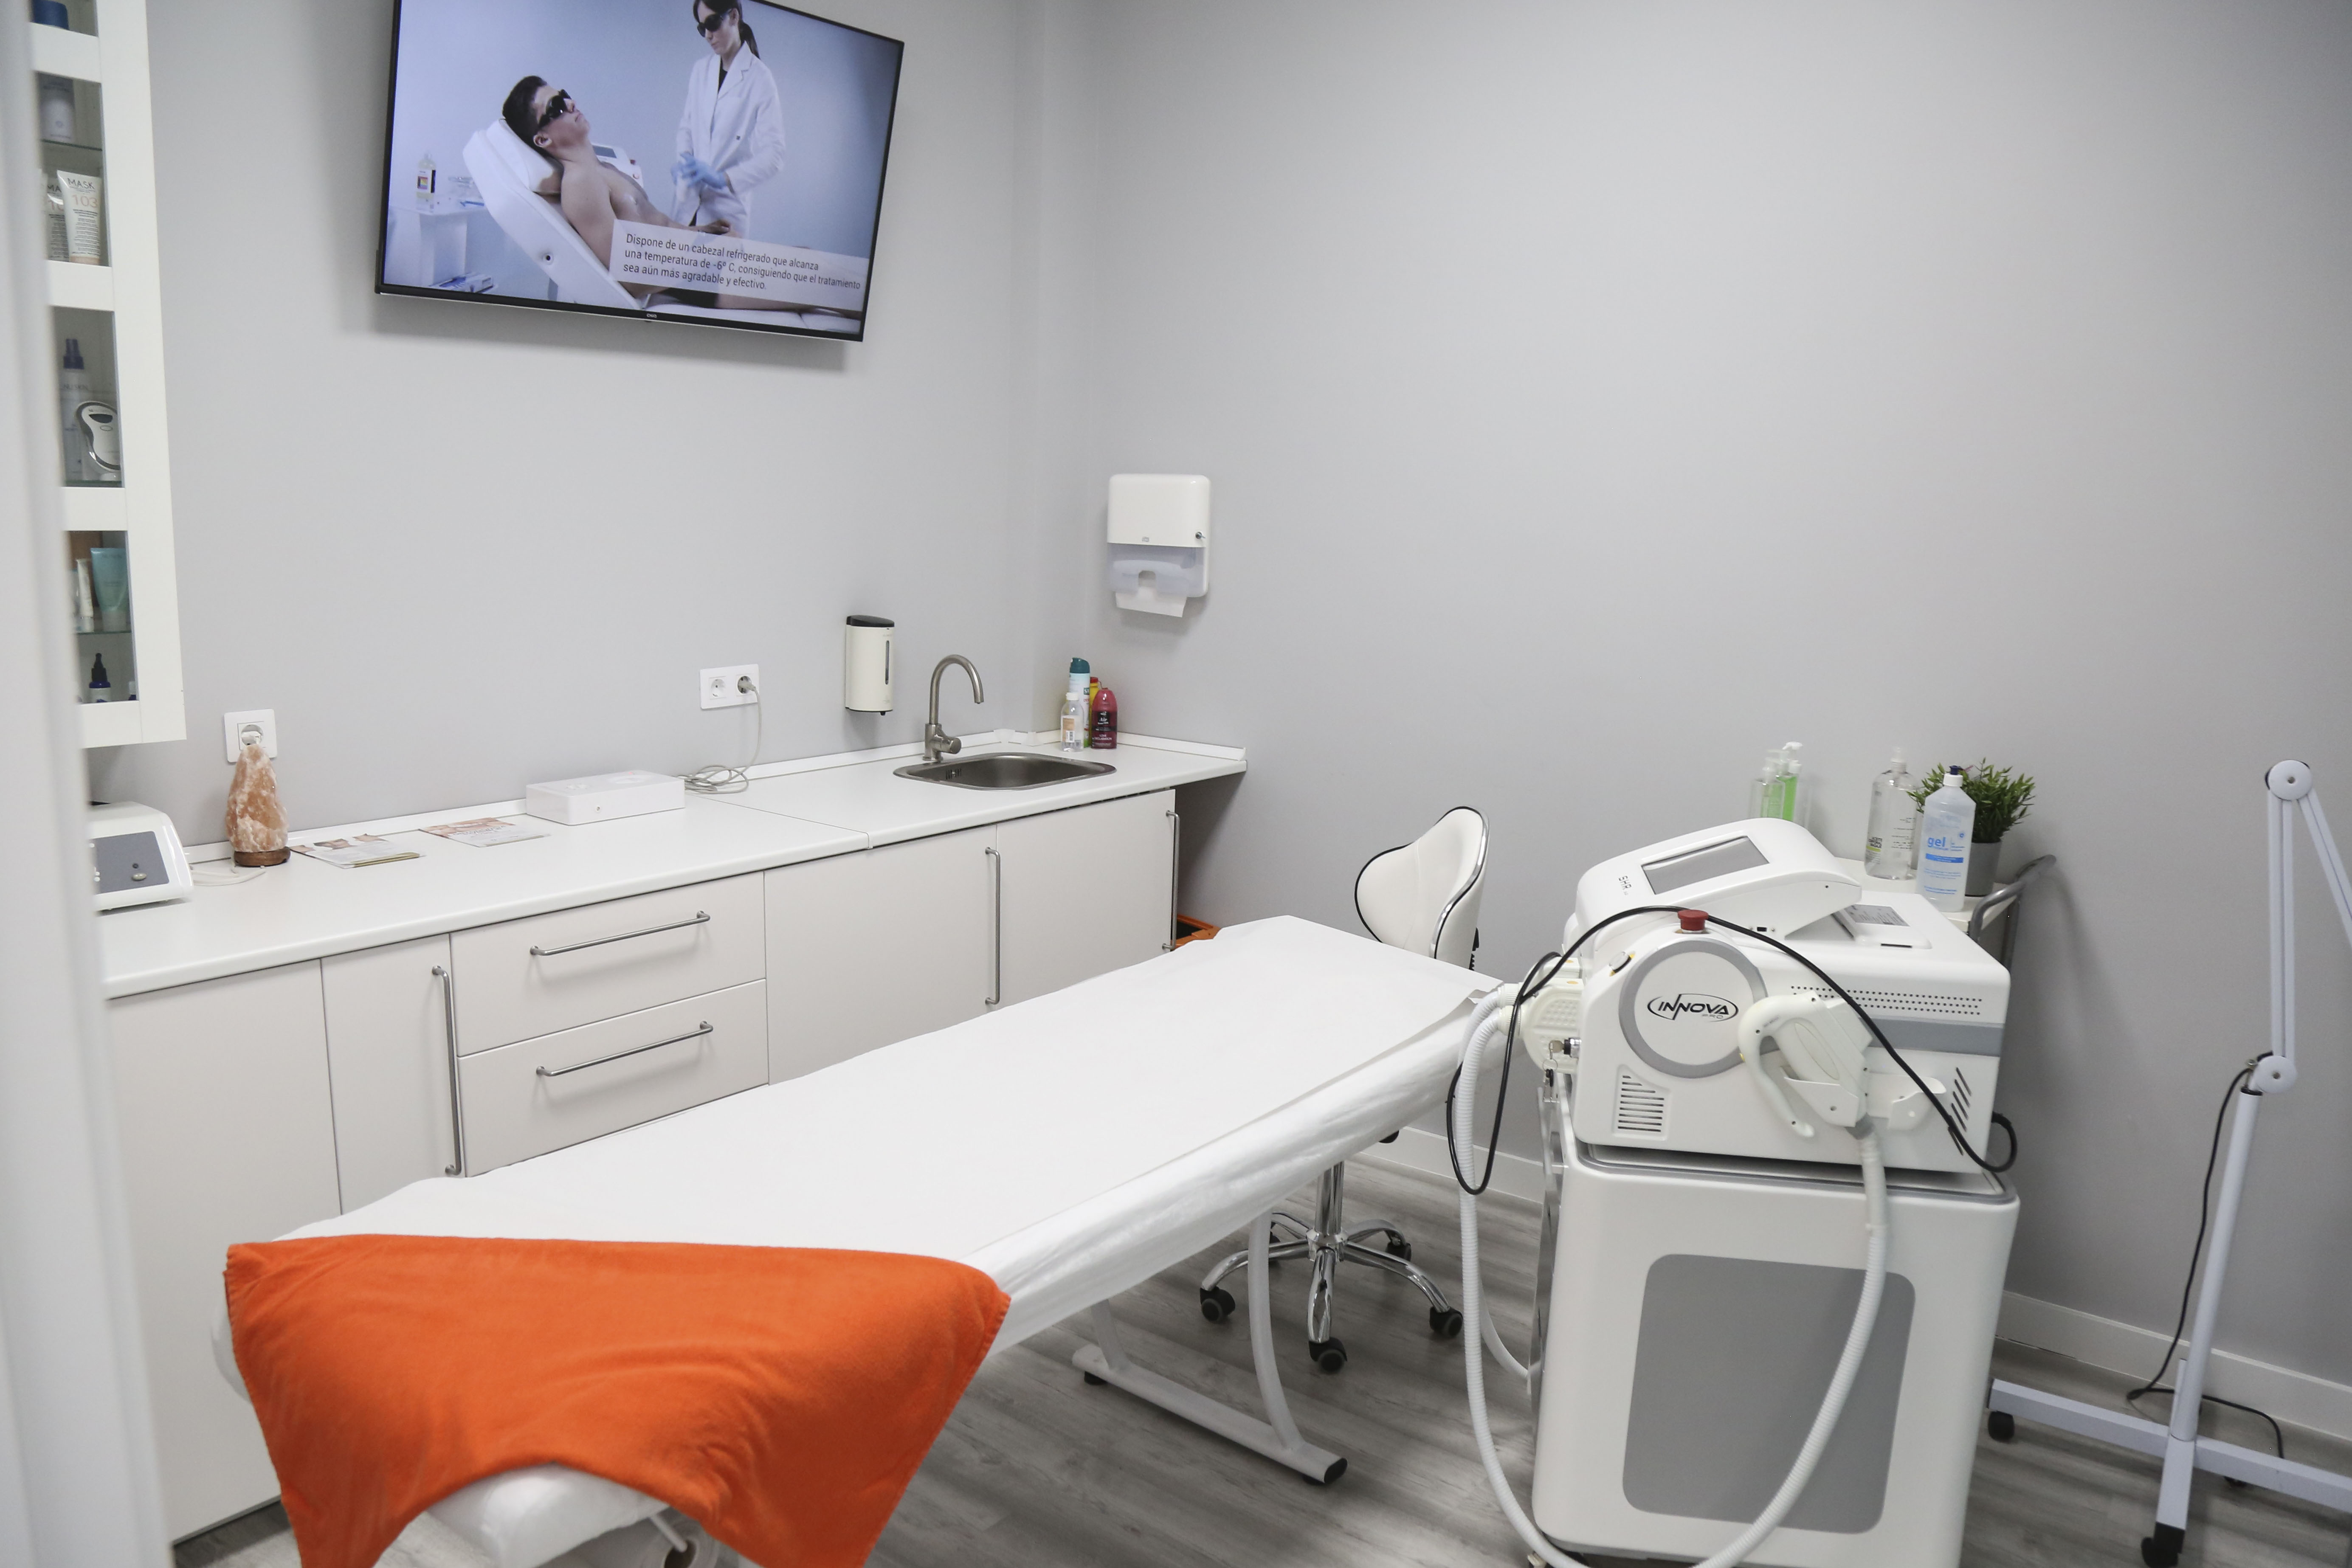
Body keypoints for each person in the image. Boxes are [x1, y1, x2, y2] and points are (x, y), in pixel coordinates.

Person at [500, 76, 815, 314]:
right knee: (824, 280)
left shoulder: (604, 168)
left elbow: (657, 227)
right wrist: (709, 253)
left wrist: (702, 233)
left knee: (810, 259)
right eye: (556, 106)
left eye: (565, 96)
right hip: (698, 283)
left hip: (700, 267)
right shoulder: (581, 183)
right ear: (542, 139)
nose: (570, 104)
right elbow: (629, 275)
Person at [670, 1, 787, 234]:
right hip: (687, 206)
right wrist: (685, 162)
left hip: (726, 212)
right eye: (702, 28)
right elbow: (687, 128)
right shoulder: (701, 70)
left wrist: (724, 178)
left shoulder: (760, 78)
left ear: (734, 16)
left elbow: (775, 155)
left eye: (713, 23)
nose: (708, 35)